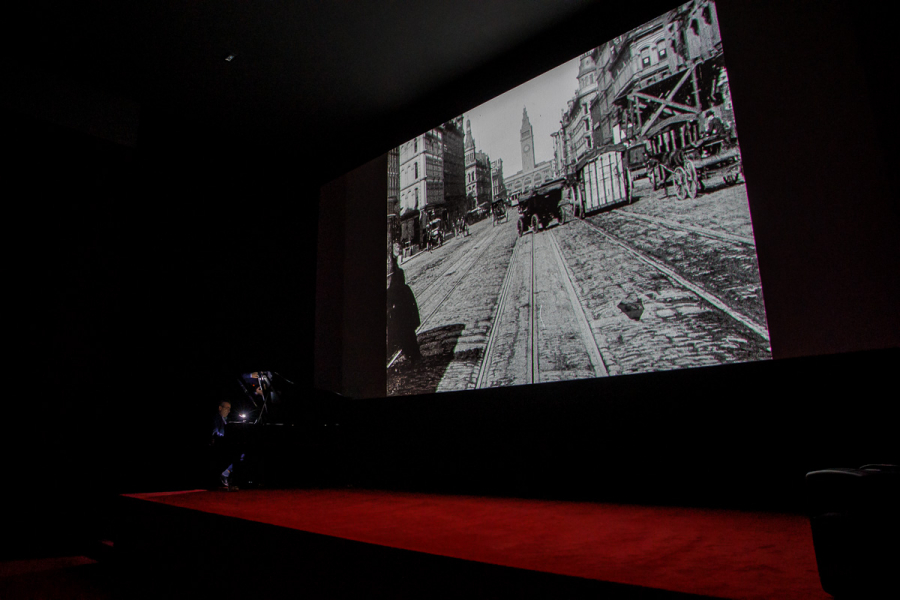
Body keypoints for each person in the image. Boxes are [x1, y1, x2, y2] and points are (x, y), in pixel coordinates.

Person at [387, 256, 422, 363]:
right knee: (407, 332)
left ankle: (412, 354)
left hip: (400, 306)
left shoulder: (394, 275)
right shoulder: (397, 273)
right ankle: (412, 354)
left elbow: (394, 288)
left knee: (405, 332)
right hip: (403, 305)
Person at [210, 400, 242, 490]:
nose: (229, 411)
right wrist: (225, 438)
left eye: (229, 409)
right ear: (220, 408)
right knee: (237, 454)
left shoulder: (226, 420)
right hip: (218, 444)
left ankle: (226, 473)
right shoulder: (217, 418)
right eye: (227, 408)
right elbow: (215, 432)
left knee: (241, 454)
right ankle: (226, 475)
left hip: (223, 443)